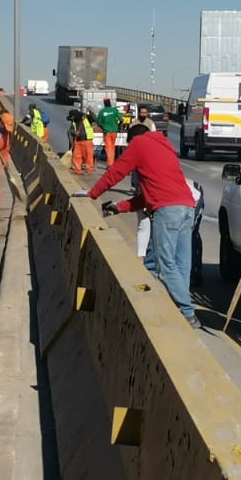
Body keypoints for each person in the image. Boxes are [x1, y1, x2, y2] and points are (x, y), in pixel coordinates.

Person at [81, 123, 199, 327]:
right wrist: (119, 207)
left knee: (165, 263)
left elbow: (115, 173)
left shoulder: (138, 144)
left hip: (167, 210)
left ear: (133, 138)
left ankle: (188, 313)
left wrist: (92, 193)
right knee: (182, 263)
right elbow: (147, 197)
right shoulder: (164, 147)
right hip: (187, 207)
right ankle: (182, 309)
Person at [96, 97, 125, 166]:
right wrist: (118, 124)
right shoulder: (114, 110)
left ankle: (110, 163)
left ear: (104, 103)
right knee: (112, 147)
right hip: (114, 131)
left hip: (107, 132)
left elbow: (99, 122)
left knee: (108, 148)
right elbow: (121, 119)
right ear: (110, 103)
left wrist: (103, 126)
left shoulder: (102, 111)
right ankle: (111, 162)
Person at [67, 108, 95, 174]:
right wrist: (74, 133)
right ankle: (77, 169)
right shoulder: (74, 122)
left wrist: (90, 112)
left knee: (88, 156)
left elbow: (94, 119)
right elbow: (71, 130)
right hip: (78, 141)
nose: (72, 119)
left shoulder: (87, 118)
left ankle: (89, 170)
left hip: (87, 140)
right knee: (76, 156)